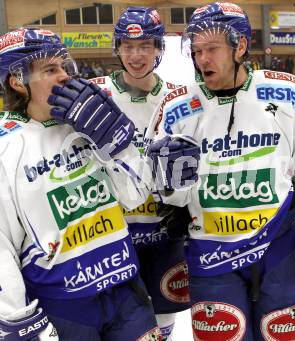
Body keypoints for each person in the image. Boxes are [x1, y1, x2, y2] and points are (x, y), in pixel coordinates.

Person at [0, 27, 200, 341]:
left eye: (63, 66)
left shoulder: (87, 124)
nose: (64, 76)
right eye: (50, 69)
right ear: (18, 81)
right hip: (63, 306)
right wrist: (14, 316)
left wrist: (118, 146)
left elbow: (134, 194)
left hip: (126, 291)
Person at [145, 2, 295, 340]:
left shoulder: (286, 94)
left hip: (279, 251)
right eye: (196, 50)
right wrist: (168, 187)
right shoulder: (177, 109)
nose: (202, 59)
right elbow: (164, 192)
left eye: (211, 49)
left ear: (240, 46)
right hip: (211, 255)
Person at [90, 7, 191, 340]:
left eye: (146, 45)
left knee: (161, 328)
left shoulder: (179, 98)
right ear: (117, 48)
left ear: (159, 49)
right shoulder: (95, 95)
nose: (136, 55)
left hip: (165, 238)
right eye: (128, 46)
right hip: (111, 240)